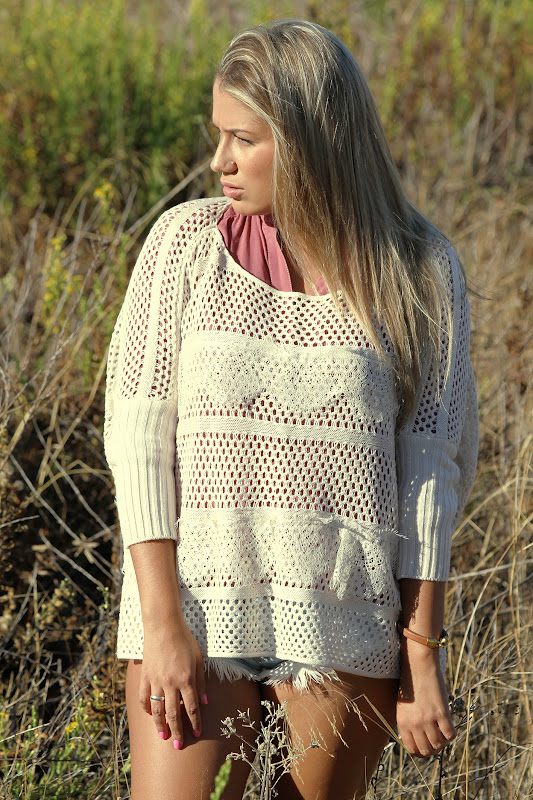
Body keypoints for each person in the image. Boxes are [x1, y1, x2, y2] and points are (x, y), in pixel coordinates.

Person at [104, 19, 478, 800]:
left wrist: (420, 657)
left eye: (242, 139)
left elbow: (429, 473)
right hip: (196, 610)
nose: (218, 161)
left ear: (310, 140)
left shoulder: (418, 269)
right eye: (218, 135)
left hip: (343, 623)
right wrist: (162, 625)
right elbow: (138, 440)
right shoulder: (183, 244)